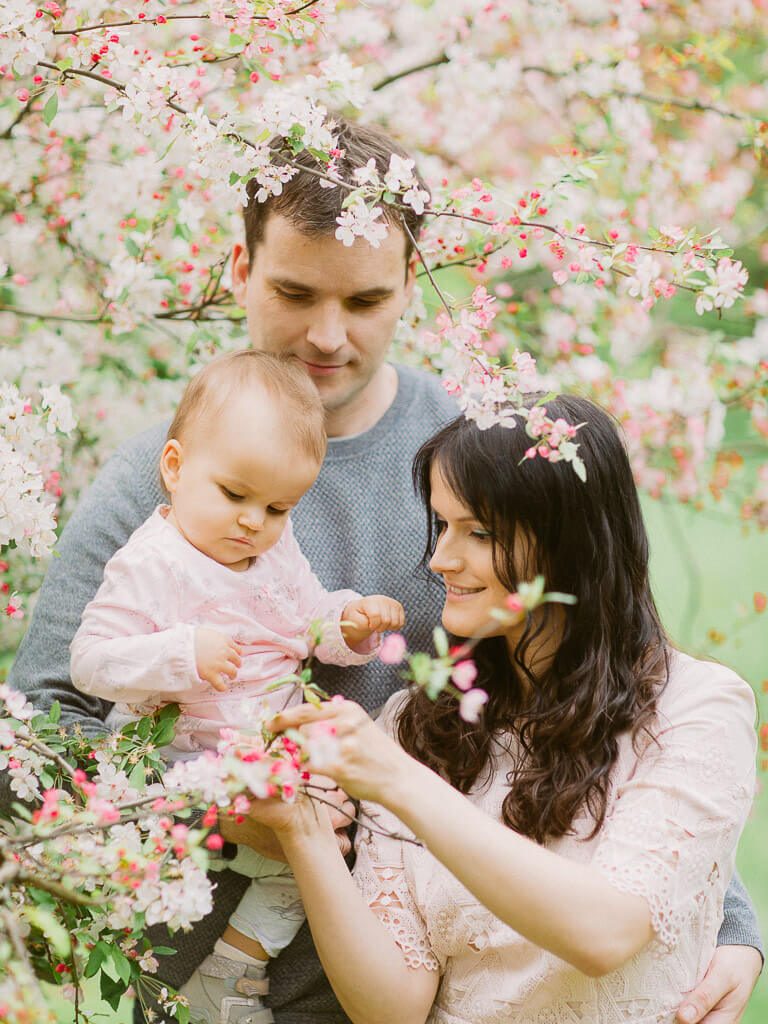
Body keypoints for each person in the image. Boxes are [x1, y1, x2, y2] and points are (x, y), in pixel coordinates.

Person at [3, 120, 762, 1024]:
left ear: (412, 284)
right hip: (222, 981)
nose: (328, 335)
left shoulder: (468, 456)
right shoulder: (168, 478)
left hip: (441, 973)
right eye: (294, 292)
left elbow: (612, 685)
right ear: (239, 273)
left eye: (365, 301)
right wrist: (217, 802)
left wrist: (727, 919)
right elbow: (42, 730)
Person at [257, 394, 758, 1024]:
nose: (441, 559)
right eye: (442, 526)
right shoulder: (415, 726)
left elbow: (604, 933)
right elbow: (392, 1009)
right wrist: (301, 829)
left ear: (568, 542)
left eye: (479, 532)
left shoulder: (698, 708)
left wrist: (396, 780)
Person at [69, 350, 404, 1018]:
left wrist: (349, 622)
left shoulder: (271, 548)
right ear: (175, 467)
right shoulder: (151, 563)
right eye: (235, 495)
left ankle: (236, 968)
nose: (255, 521)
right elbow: (89, 661)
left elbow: (304, 622)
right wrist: (180, 654)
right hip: (182, 757)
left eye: (279, 506)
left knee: (333, 824)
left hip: (265, 749)